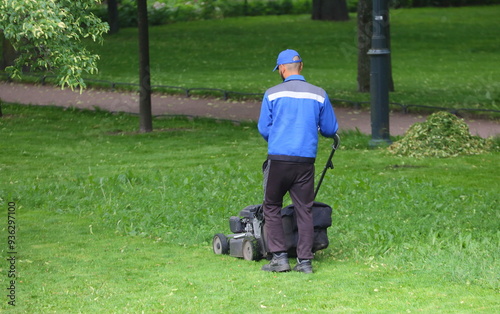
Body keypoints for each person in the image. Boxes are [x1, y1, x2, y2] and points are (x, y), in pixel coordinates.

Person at [258, 49, 338, 273]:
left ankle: (280, 259)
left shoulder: (272, 94)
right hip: (305, 160)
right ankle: (304, 261)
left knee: (272, 205)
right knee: (304, 209)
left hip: (279, 159)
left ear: (282, 69)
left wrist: (277, 137)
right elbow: (330, 129)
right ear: (300, 67)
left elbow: (264, 128)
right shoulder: (318, 94)